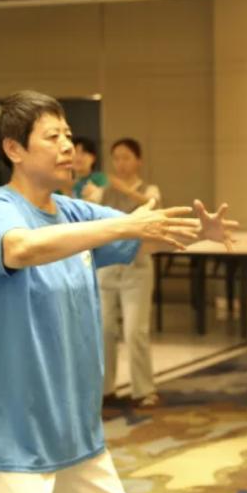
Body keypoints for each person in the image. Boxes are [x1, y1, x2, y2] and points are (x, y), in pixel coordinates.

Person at [0, 90, 235, 493]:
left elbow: (143, 235)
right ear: (13, 149)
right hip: (12, 424)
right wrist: (123, 225)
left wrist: (197, 232)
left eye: (68, 134)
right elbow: (21, 248)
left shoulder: (73, 211)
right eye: (52, 136)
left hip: (72, 421)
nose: (68, 145)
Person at [98, 138, 163, 407]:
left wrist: (126, 190)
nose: (120, 163)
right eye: (116, 158)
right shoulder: (105, 192)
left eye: (126, 157)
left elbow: (154, 207)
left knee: (135, 330)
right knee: (104, 329)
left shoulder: (149, 189)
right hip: (107, 268)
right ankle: (104, 389)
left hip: (137, 268)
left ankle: (144, 390)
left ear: (139, 161)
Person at [71, 136, 108, 200]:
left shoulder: (100, 178)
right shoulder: (65, 183)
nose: (78, 157)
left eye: (83, 153)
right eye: (75, 152)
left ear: (93, 158)